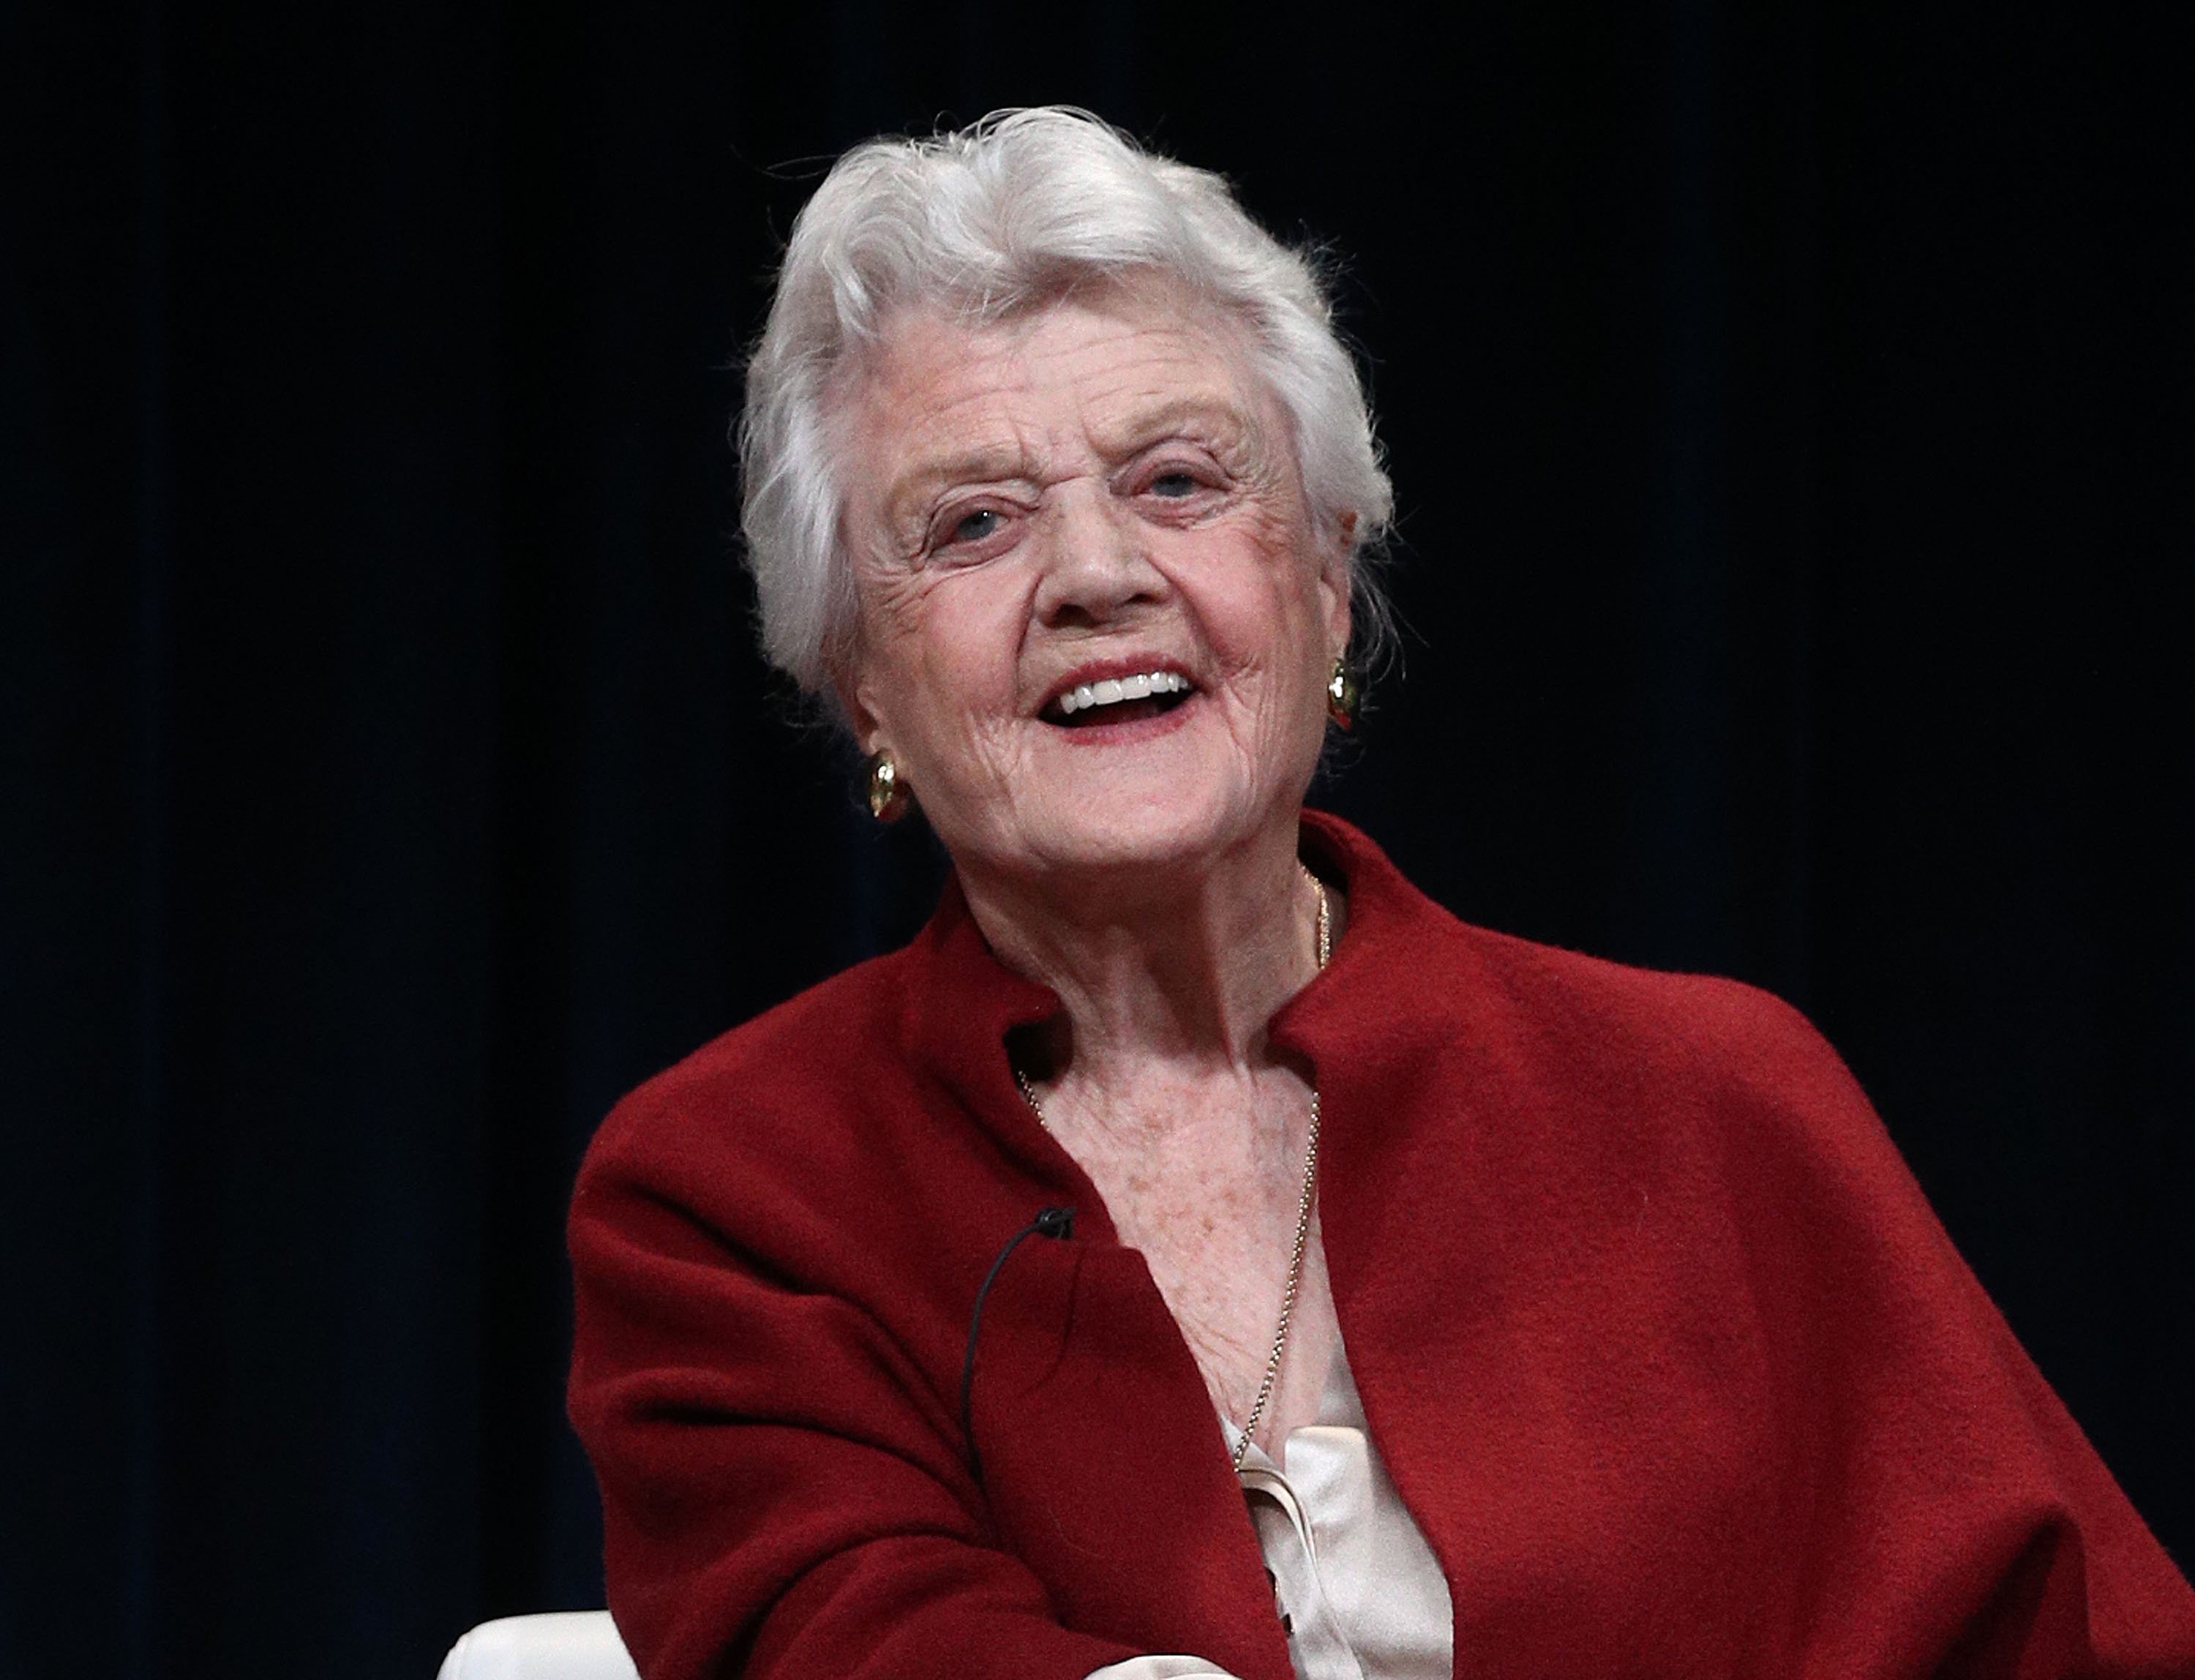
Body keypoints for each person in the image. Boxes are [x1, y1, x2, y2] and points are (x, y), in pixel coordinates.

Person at [565, 109, 2195, 1680]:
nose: (1096, 574)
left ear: (1331, 582)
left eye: (1182, 482)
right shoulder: (733, 1193)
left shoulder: (1715, 1105)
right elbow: (852, 1637)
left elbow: (2059, 1631)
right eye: (976, 522)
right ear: (858, 680)